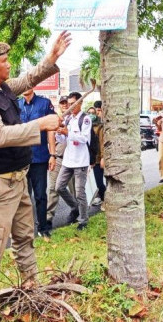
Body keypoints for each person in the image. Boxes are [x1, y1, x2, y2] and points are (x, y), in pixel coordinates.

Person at [0, 32, 71, 322]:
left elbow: (27, 80)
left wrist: (52, 58)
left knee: (24, 238)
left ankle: (30, 290)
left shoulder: (2, 88)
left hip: (17, 180)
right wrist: (41, 123)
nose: (9, 65)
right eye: (3, 61)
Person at [18, 89, 57, 238]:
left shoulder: (44, 104)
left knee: (40, 195)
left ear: (33, 86)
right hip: (20, 158)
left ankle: (43, 228)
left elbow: (51, 130)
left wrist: (53, 154)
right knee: (22, 197)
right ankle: (24, 230)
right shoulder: (16, 104)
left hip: (39, 157)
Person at [55, 92, 91, 231]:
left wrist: (68, 133)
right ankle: (75, 207)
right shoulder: (69, 119)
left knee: (79, 192)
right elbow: (64, 140)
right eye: (68, 104)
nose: (69, 106)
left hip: (81, 161)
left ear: (80, 103)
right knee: (59, 187)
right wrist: (59, 133)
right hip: (68, 160)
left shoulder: (85, 119)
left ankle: (83, 220)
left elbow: (84, 139)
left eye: (72, 104)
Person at [47, 96, 74, 225]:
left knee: (75, 189)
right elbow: (50, 137)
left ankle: (76, 211)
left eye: (67, 103)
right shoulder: (55, 120)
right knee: (53, 189)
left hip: (74, 160)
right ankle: (48, 218)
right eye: (62, 103)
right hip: (58, 158)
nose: (65, 105)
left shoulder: (76, 119)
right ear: (59, 105)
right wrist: (51, 156)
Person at [90, 100, 106, 209]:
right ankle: (103, 198)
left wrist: (103, 157)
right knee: (97, 182)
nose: (96, 113)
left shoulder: (101, 126)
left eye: (99, 110)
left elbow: (102, 143)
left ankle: (106, 200)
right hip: (93, 159)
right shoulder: (90, 126)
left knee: (104, 182)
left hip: (101, 158)